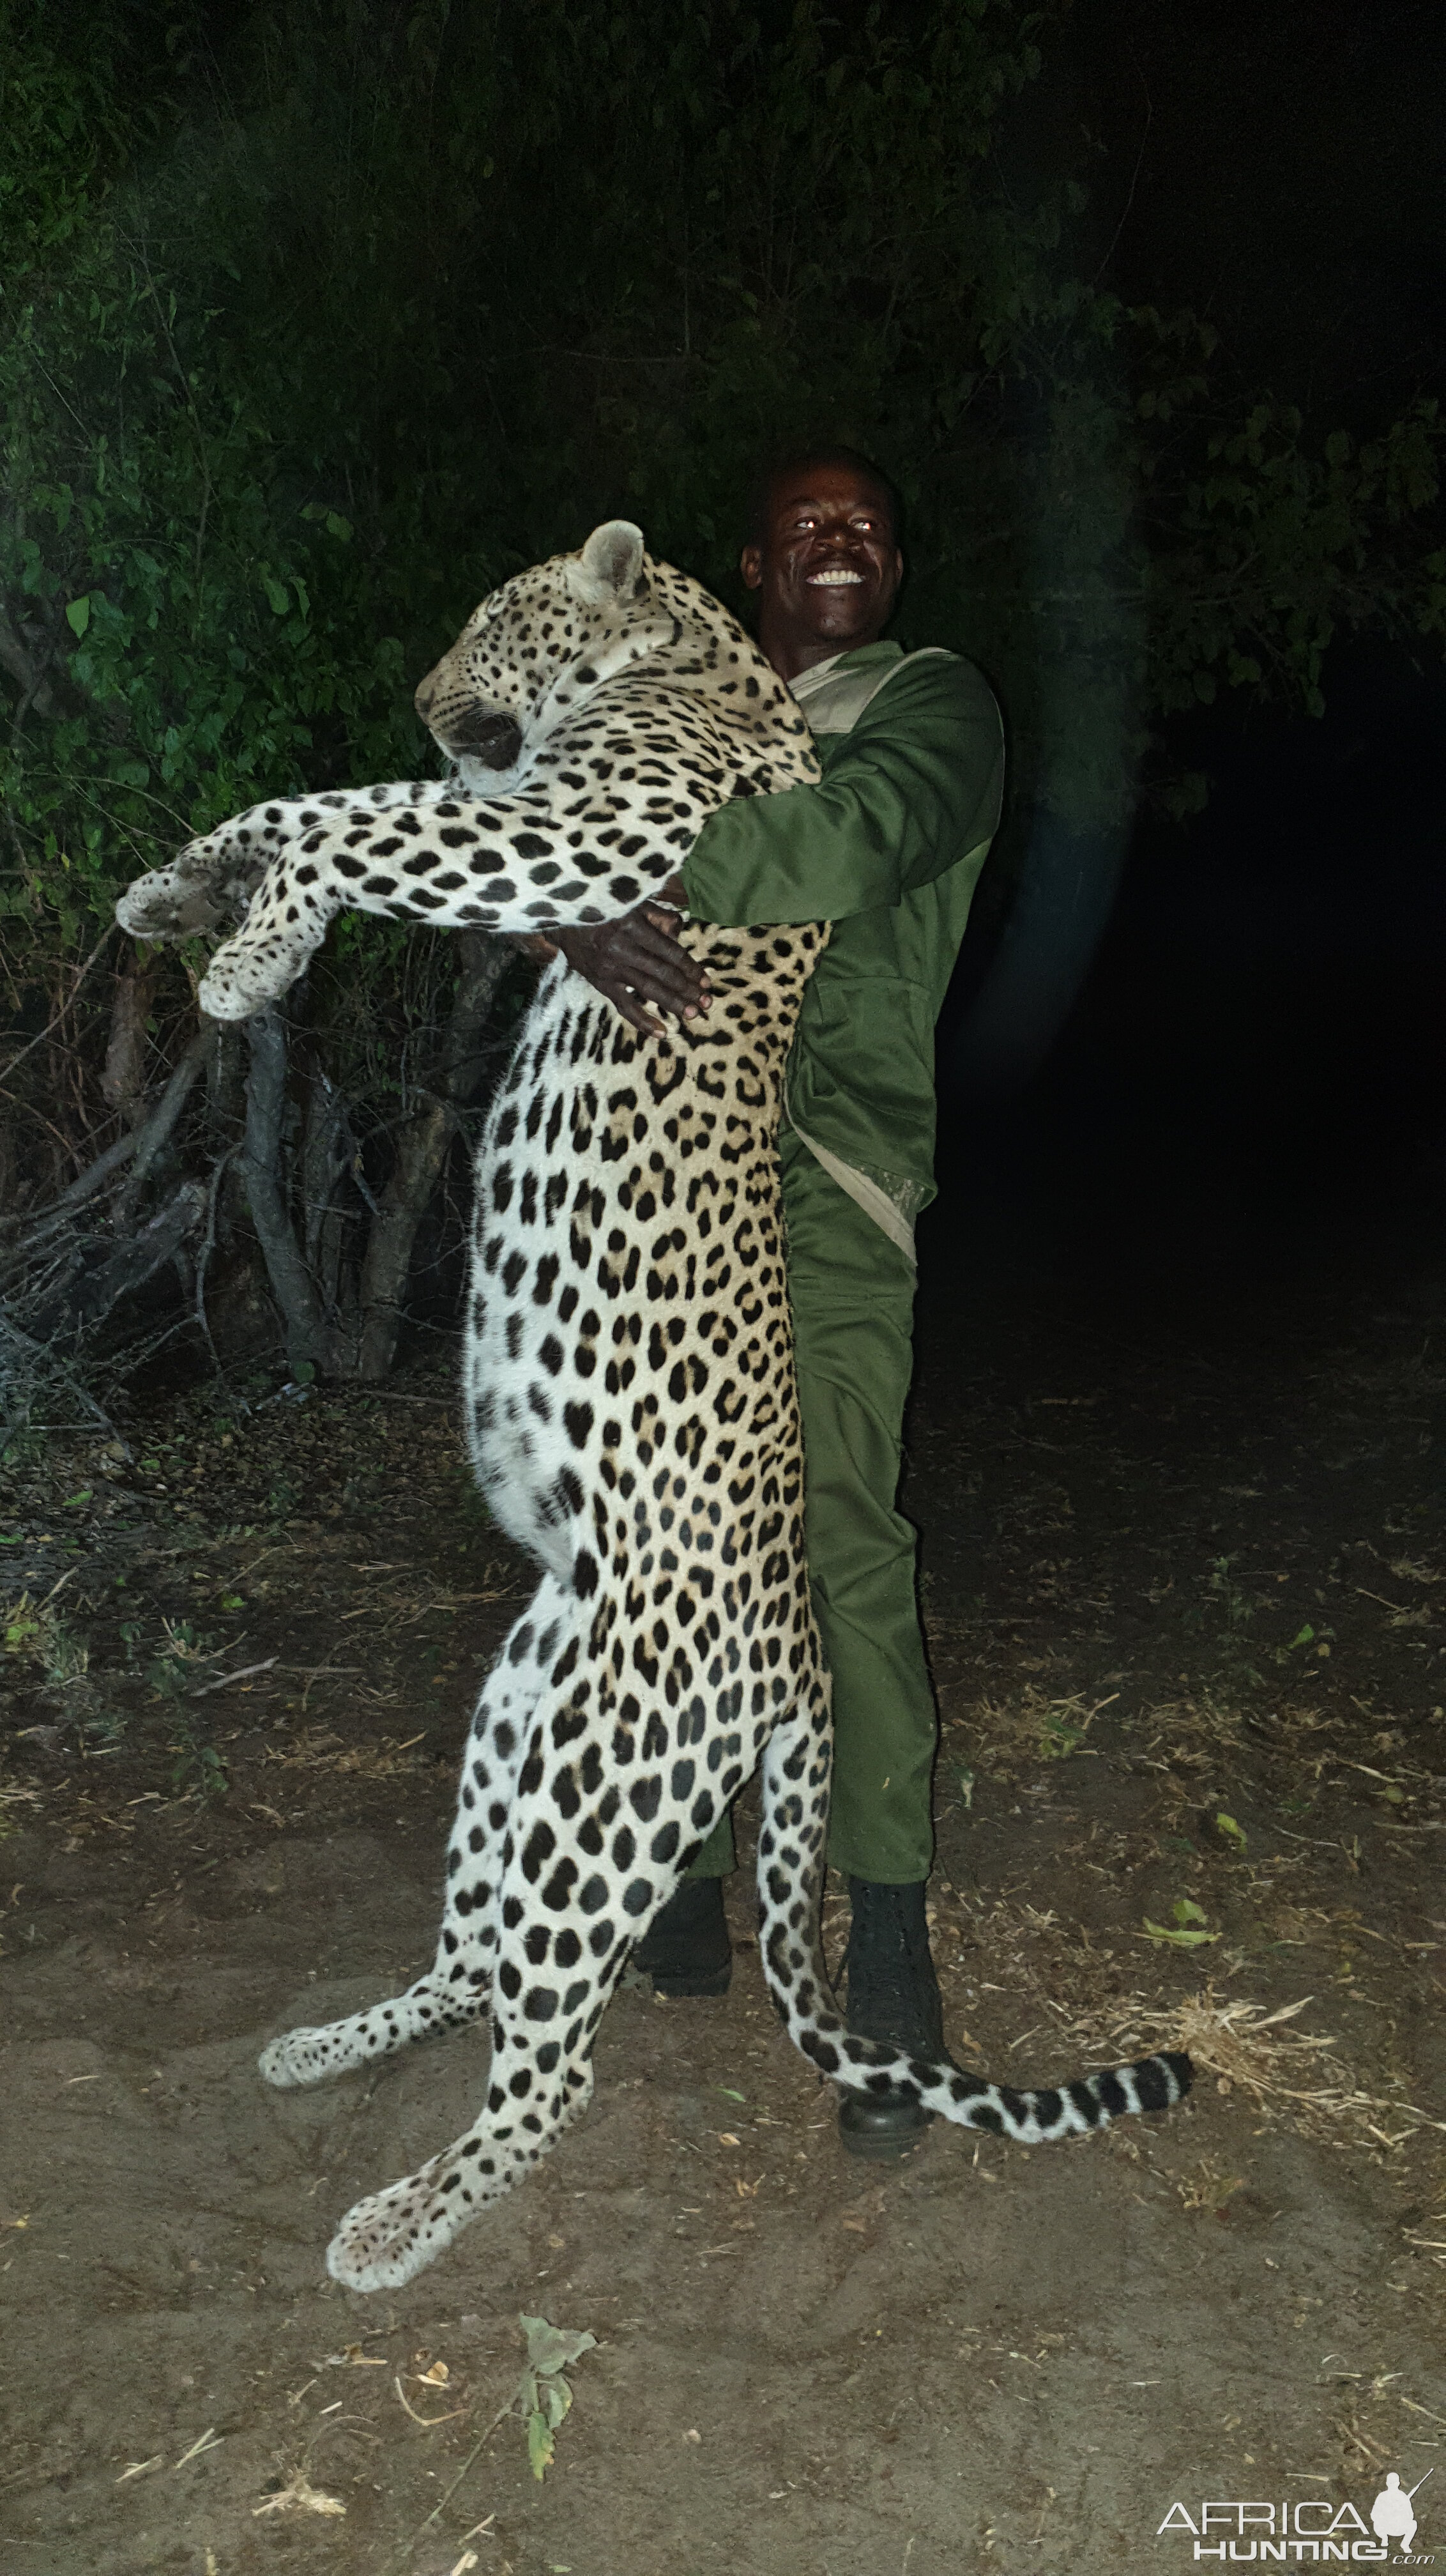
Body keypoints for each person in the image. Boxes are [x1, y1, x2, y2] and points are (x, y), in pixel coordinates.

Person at [542, 447, 1004, 2155]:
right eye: (810, 523)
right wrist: (565, 926)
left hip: (825, 1182)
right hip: (652, 1176)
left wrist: (608, 880)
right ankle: (678, 1877)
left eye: (872, 525)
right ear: (748, 564)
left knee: (832, 1534)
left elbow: (854, 840)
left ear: (894, 572)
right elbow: (521, 842)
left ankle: (884, 1946)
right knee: (661, 1538)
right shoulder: (673, 708)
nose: (845, 539)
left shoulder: (935, 706)